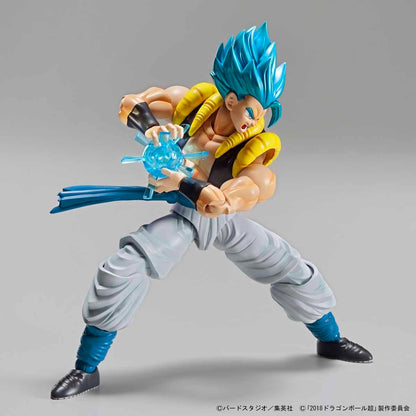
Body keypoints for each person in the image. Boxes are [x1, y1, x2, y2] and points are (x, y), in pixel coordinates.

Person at [50, 22, 372, 400]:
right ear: (231, 98)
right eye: (251, 109)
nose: (255, 121)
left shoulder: (256, 145)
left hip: (224, 220)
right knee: (121, 271)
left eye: (263, 112)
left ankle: (331, 340)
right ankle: (86, 368)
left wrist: (183, 182)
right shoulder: (192, 104)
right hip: (183, 219)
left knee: (290, 267)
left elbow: (239, 193)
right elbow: (130, 104)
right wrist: (151, 128)